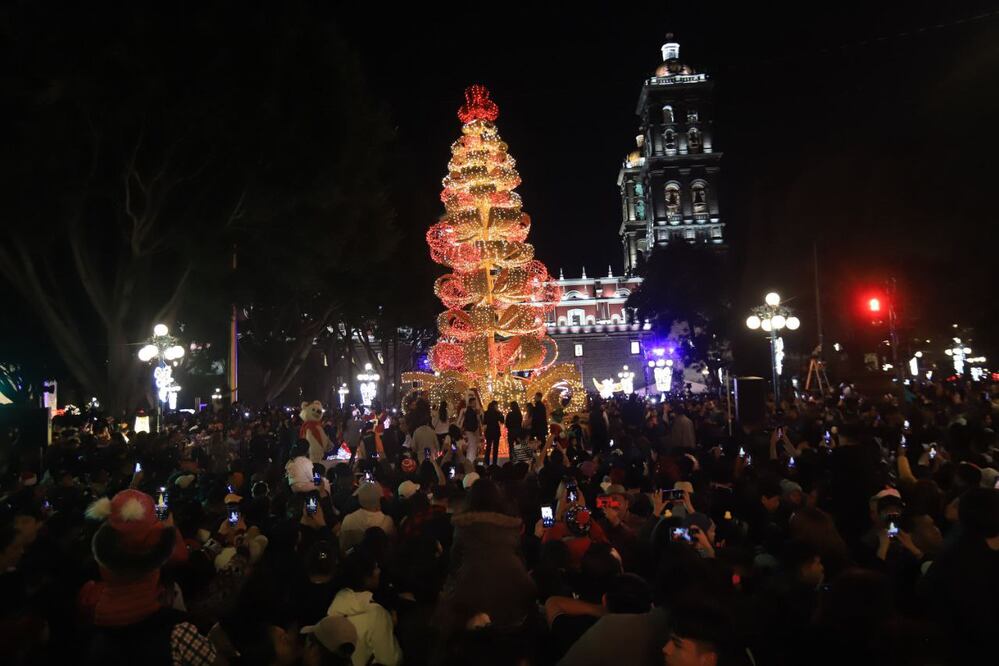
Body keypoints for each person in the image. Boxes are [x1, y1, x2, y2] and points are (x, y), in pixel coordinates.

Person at [328, 545, 402, 666]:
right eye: (376, 568)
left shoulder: (334, 605)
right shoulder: (376, 614)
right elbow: (391, 660)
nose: (379, 571)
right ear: (366, 577)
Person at [339, 483, 394, 553]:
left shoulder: (348, 520)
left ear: (359, 498)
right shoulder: (388, 521)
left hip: (354, 561)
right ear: (380, 499)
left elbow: (343, 547)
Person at [459, 397, 483, 463]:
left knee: (474, 446)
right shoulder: (469, 410)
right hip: (471, 430)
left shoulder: (474, 410)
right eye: (473, 402)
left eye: (475, 402)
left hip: (473, 430)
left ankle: (472, 460)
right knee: (472, 446)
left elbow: (478, 420)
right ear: (470, 403)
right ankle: (470, 461)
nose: (475, 403)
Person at [482, 400, 505, 466]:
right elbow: (502, 421)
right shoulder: (497, 413)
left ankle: (487, 462)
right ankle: (494, 463)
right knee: (495, 448)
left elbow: (484, 422)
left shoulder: (486, 413)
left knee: (488, 447)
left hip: (489, 431)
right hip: (496, 432)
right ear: (495, 406)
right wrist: (501, 414)